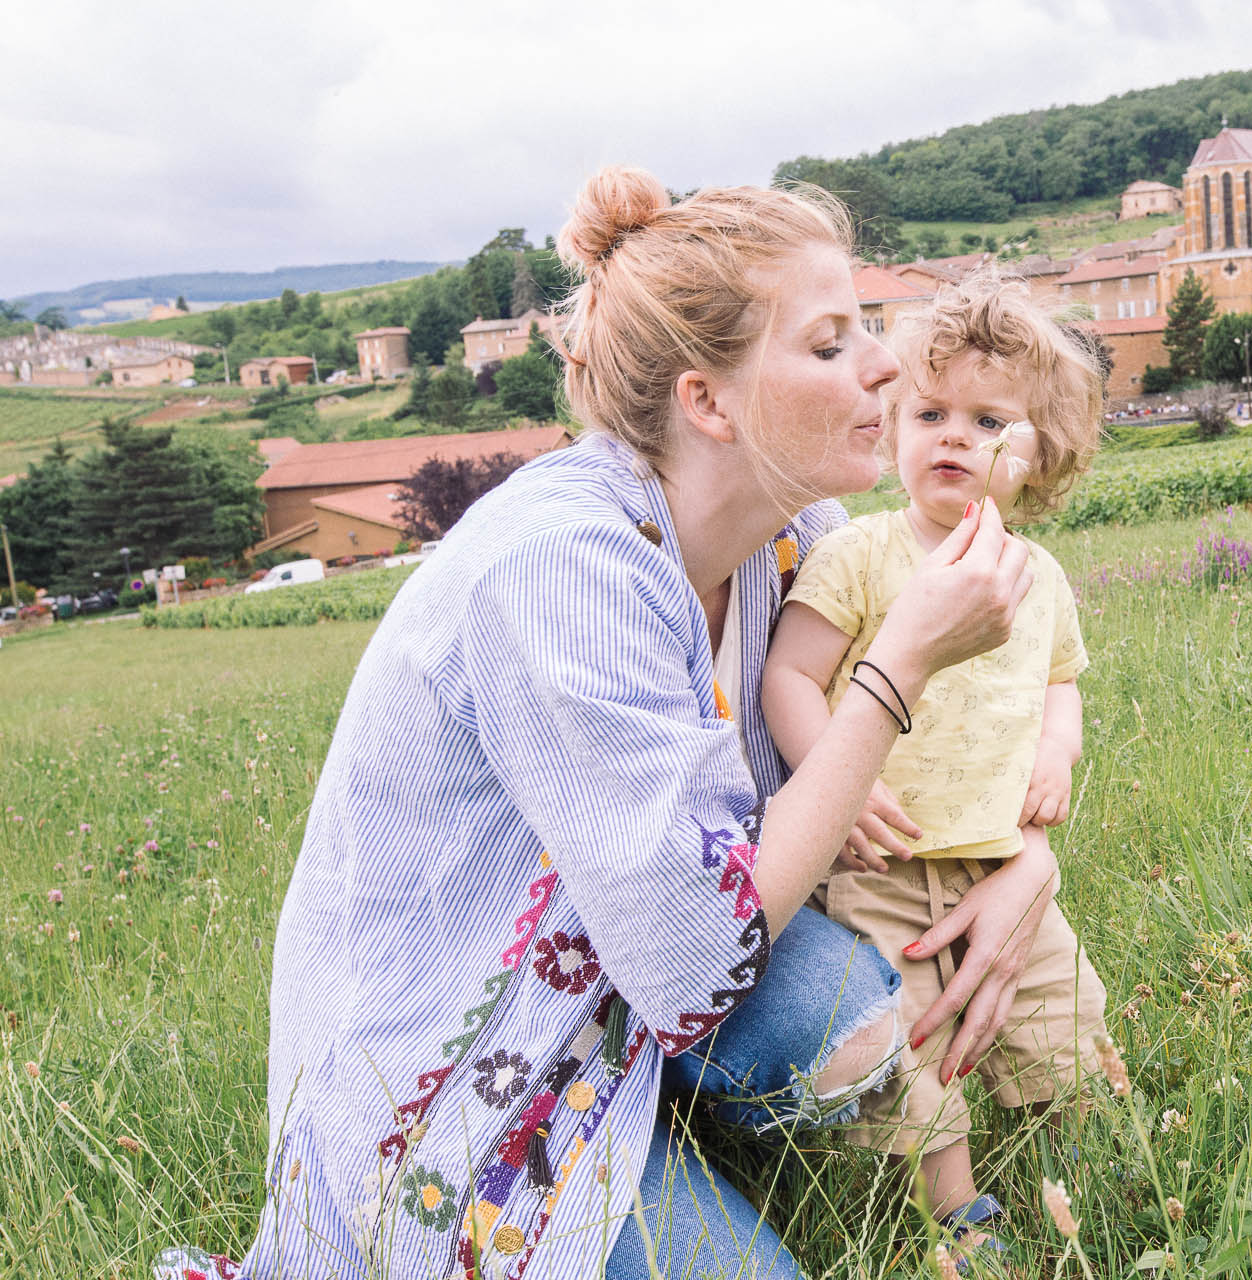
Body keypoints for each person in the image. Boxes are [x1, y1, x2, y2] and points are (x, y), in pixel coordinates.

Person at [155, 167, 1068, 1280]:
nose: (886, 363)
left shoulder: (798, 540)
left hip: (632, 975)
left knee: (860, 1028)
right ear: (710, 402)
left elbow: (898, 781)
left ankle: (670, 1127)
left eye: (868, 327)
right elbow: (699, 959)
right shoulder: (564, 568)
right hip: (462, 1073)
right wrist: (899, 663)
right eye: (830, 343)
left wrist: (1030, 864)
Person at [762, 272, 1108, 1268]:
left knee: (1059, 1011)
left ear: (1042, 453)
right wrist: (833, 769)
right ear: (894, 422)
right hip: (883, 860)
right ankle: (959, 1215)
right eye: (929, 412)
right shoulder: (861, 554)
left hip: (1001, 856)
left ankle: (1090, 1173)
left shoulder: (1034, 574)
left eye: (989, 418)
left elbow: (1060, 681)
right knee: (912, 1044)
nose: (953, 435)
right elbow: (792, 671)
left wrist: (1055, 750)